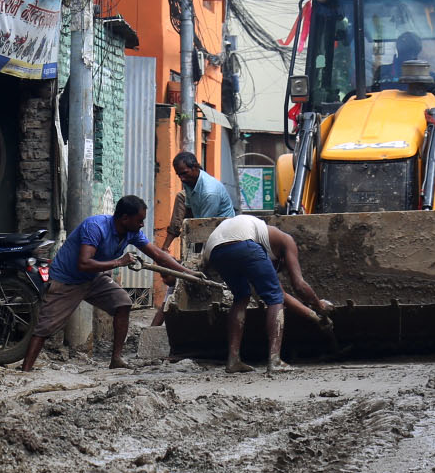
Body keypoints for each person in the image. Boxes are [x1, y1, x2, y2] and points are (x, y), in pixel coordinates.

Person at [22, 195, 192, 371]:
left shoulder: (131, 232)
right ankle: (26, 370)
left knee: (123, 303)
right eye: (139, 220)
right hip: (67, 281)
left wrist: (188, 272)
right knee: (45, 328)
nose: (142, 224)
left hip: (93, 278)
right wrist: (119, 262)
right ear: (125, 218)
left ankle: (116, 359)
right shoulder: (95, 227)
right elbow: (84, 263)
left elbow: (157, 255)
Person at [202, 213, 329, 374]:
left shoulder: (260, 234)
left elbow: (281, 292)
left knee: (241, 296)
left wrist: (314, 316)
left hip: (215, 251)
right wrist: (320, 305)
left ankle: (233, 360)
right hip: (242, 244)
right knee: (274, 299)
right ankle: (275, 360)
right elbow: (299, 285)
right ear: (283, 259)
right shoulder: (286, 241)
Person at [174, 151, 236, 220]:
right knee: (180, 196)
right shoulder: (188, 181)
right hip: (203, 221)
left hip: (221, 226)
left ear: (195, 167)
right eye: (179, 175)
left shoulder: (210, 193)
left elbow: (204, 225)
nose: (182, 178)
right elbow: (189, 209)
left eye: (184, 173)